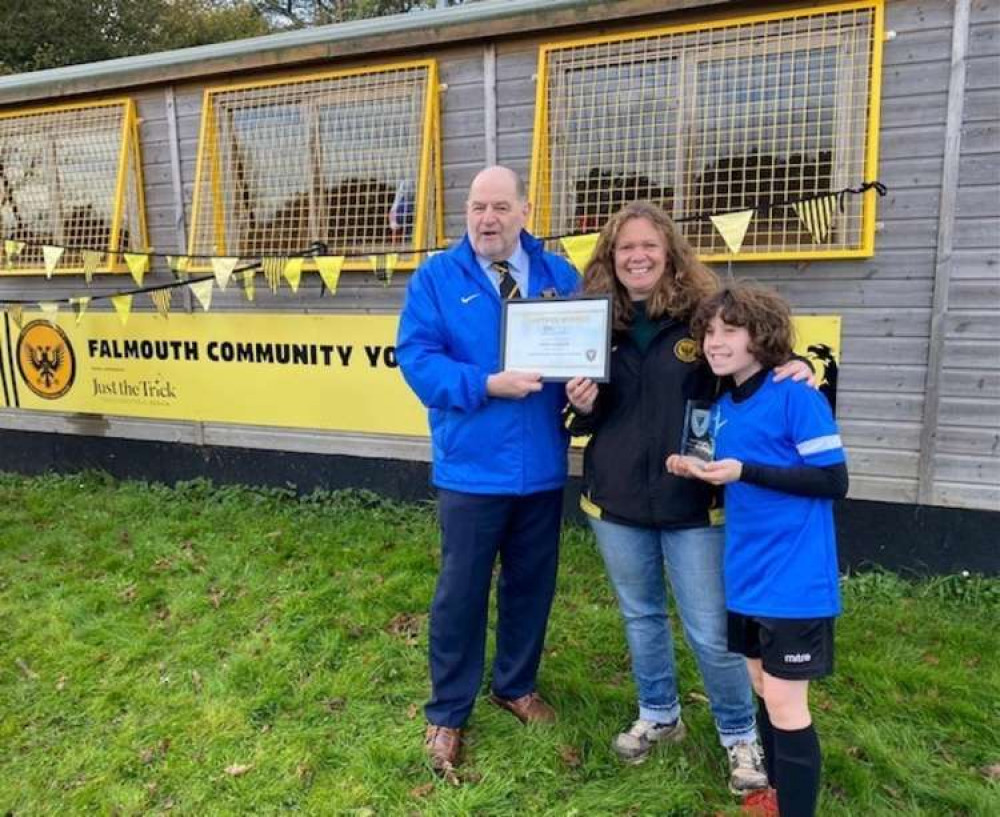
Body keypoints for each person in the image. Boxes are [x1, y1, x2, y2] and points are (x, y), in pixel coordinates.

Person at [564, 201, 811, 794]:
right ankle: (659, 715)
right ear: (610, 257)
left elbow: (754, 359)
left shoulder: (706, 318)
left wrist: (794, 363)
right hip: (616, 499)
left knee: (709, 627)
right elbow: (575, 423)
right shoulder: (595, 324)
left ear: (670, 252)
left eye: (649, 245)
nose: (637, 256)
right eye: (625, 248)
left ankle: (738, 734)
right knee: (642, 616)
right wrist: (582, 405)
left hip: (693, 502)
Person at [396, 166, 581, 774]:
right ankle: (447, 712)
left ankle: (515, 685)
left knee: (532, 584)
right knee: (461, 594)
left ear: (525, 211)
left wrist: (585, 388)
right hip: (471, 470)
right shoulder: (437, 278)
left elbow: (589, 348)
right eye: (478, 207)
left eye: (501, 207)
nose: (487, 219)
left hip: (542, 468)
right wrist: (484, 384)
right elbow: (418, 361)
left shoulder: (559, 276)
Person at [668, 281, 847, 817]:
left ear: (760, 335)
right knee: (762, 688)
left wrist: (747, 470)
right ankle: (776, 796)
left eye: (730, 331)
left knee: (788, 704)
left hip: (794, 579)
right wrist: (694, 468)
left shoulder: (797, 394)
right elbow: (730, 473)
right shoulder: (723, 406)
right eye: (709, 333)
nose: (715, 343)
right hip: (746, 571)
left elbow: (833, 481)